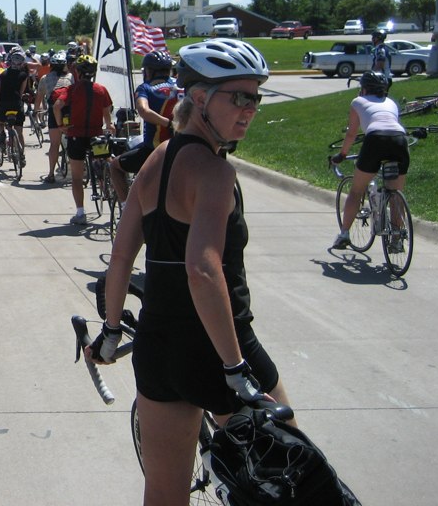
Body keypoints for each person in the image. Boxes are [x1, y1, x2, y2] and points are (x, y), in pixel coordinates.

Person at [97, 38, 292, 506]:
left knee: (164, 493)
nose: (250, 109)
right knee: (289, 476)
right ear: (200, 98)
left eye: (256, 98)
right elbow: (202, 270)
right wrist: (235, 368)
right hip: (220, 347)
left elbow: (120, 257)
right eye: (239, 97)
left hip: (158, 347)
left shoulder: (155, 160)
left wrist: (110, 331)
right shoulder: (215, 172)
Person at [330, 70, 409, 250]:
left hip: (375, 139)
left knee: (356, 190)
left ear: (364, 89)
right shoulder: (391, 102)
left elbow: (351, 133)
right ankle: (397, 239)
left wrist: (342, 155)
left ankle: (344, 234)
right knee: (396, 193)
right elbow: (390, 125)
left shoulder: (358, 101)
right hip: (399, 139)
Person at [51, 54, 115, 223]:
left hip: (76, 137)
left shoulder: (72, 89)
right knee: (106, 164)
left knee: (77, 178)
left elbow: (57, 106)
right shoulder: (101, 90)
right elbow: (107, 111)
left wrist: (60, 125)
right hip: (96, 136)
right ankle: (109, 190)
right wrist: (109, 125)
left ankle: (80, 213)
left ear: (78, 72)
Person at [110, 51, 179, 204]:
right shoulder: (180, 86)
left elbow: (143, 110)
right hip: (182, 146)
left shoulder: (145, 88)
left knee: (115, 166)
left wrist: (167, 123)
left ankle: (126, 208)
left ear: (149, 70)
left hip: (153, 150)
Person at [0, 46, 30, 165]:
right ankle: (21, 155)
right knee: (19, 131)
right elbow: (21, 93)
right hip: (16, 104)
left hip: (3, 104)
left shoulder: (2, 74)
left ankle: (2, 135)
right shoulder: (24, 75)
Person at [38, 51, 71, 183]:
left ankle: (51, 173)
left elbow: (39, 98)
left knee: (54, 144)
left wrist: (36, 111)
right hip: (68, 111)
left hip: (54, 111)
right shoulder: (70, 77)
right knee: (73, 139)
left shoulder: (44, 78)